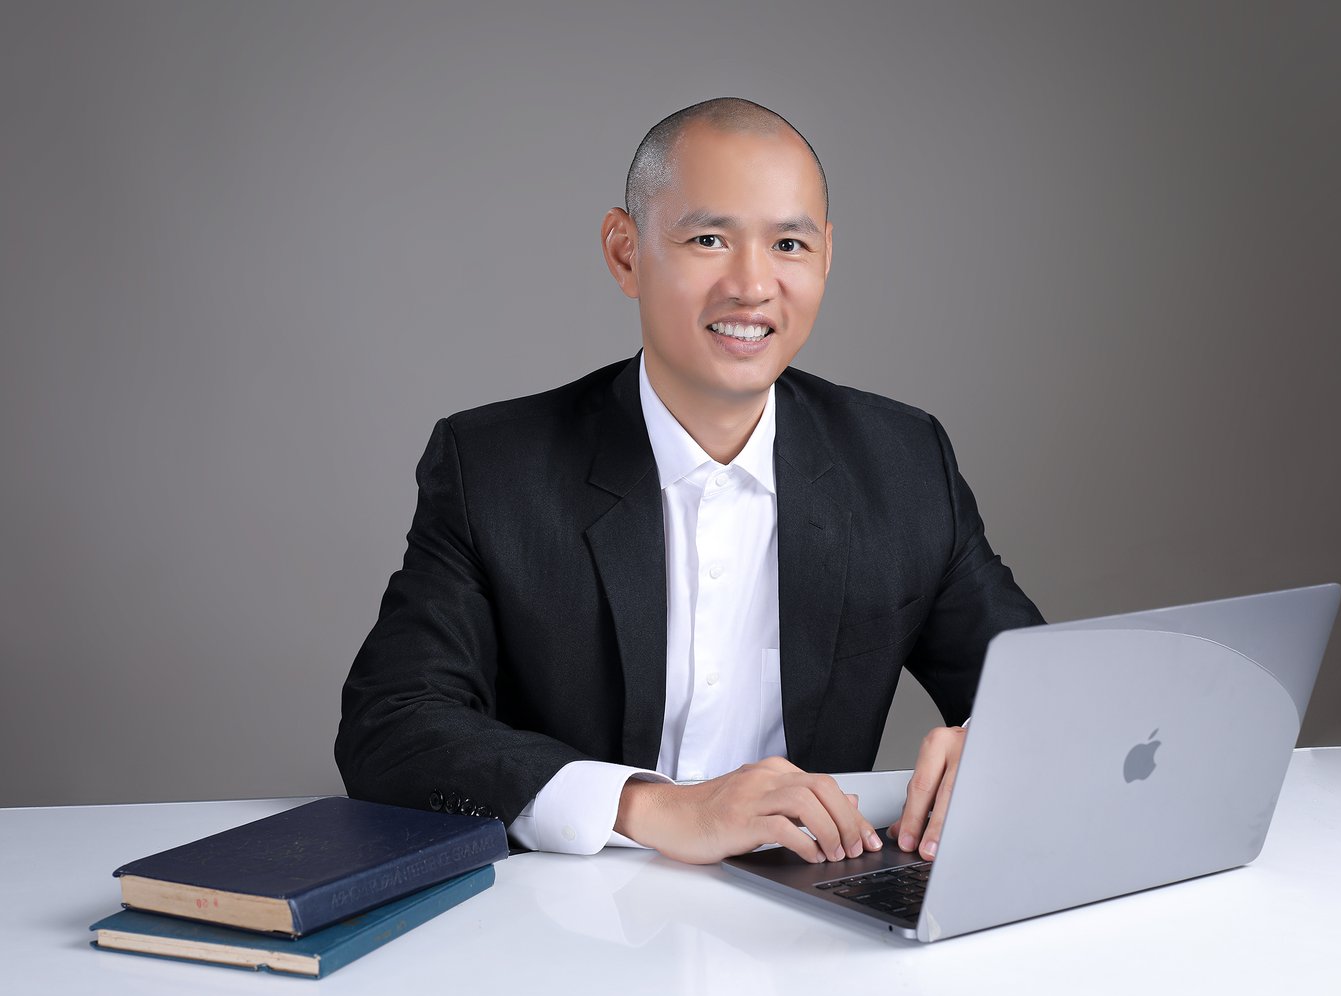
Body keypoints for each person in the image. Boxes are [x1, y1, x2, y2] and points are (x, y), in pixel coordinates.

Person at [335, 98, 1043, 867]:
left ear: (826, 256)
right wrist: (651, 807)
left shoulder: (903, 462)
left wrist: (999, 740)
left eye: (789, 244)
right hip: (572, 907)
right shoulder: (495, 467)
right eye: (709, 239)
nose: (753, 285)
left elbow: (1047, 689)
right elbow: (392, 723)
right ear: (626, 253)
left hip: (815, 899)